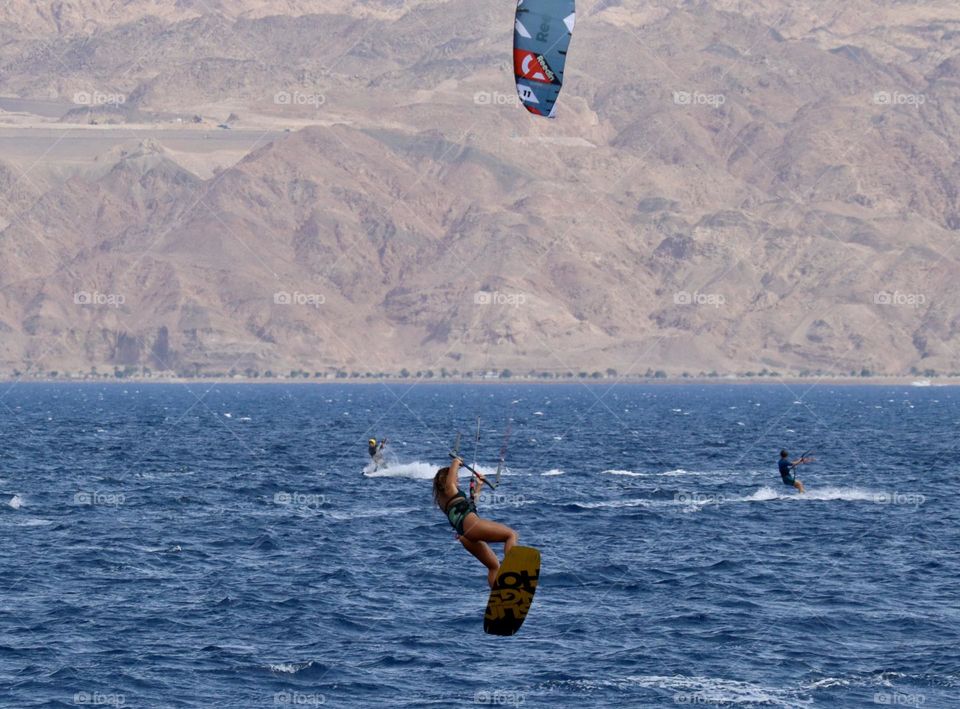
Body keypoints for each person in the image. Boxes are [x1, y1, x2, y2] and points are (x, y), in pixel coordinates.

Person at [433, 457, 518, 589]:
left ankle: (499, 593)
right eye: (456, 477)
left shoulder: (443, 500)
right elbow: (451, 482)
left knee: (494, 566)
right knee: (511, 535)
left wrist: (478, 486)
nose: (458, 480)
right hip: (472, 526)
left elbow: (470, 504)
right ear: (448, 478)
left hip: (464, 536)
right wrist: (456, 462)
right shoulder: (450, 489)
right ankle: (512, 574)